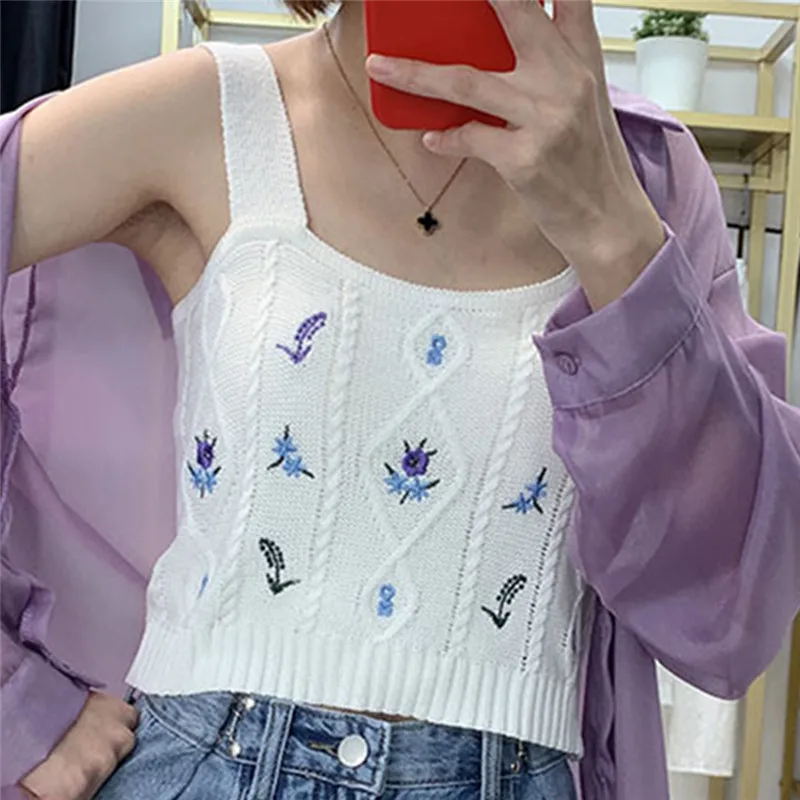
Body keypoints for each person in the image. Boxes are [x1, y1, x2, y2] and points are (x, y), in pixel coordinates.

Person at [4, 0, 800, 798]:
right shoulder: (204, 110)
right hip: (206, 761)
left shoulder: (647, 177)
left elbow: (730, 615)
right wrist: (17, 704)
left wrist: (611, 231)